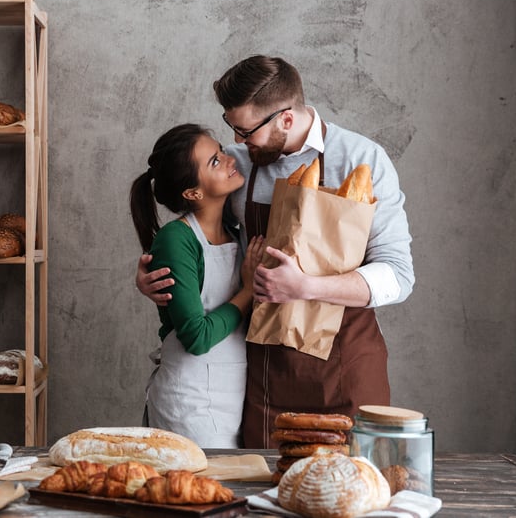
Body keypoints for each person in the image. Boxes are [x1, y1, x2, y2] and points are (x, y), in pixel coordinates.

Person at [136, 56, 415, 448]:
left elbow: (398, 277)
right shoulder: (243, 167)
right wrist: (157, 276)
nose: (236, 142)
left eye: (245, 130)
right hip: (263, 370)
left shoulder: (361, 159)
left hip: (344, 363)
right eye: (231, 127)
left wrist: (305, 286)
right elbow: (212, 247)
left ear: (285, 119)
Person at [130, 123, 263, 448]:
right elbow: (197, 336)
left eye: (220, 151)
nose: (230, 159)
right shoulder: (176, 239)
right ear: (192, 193)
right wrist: (248, 290)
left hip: (231, 396)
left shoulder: (235, 232)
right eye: (215, 162)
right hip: (187, 402)